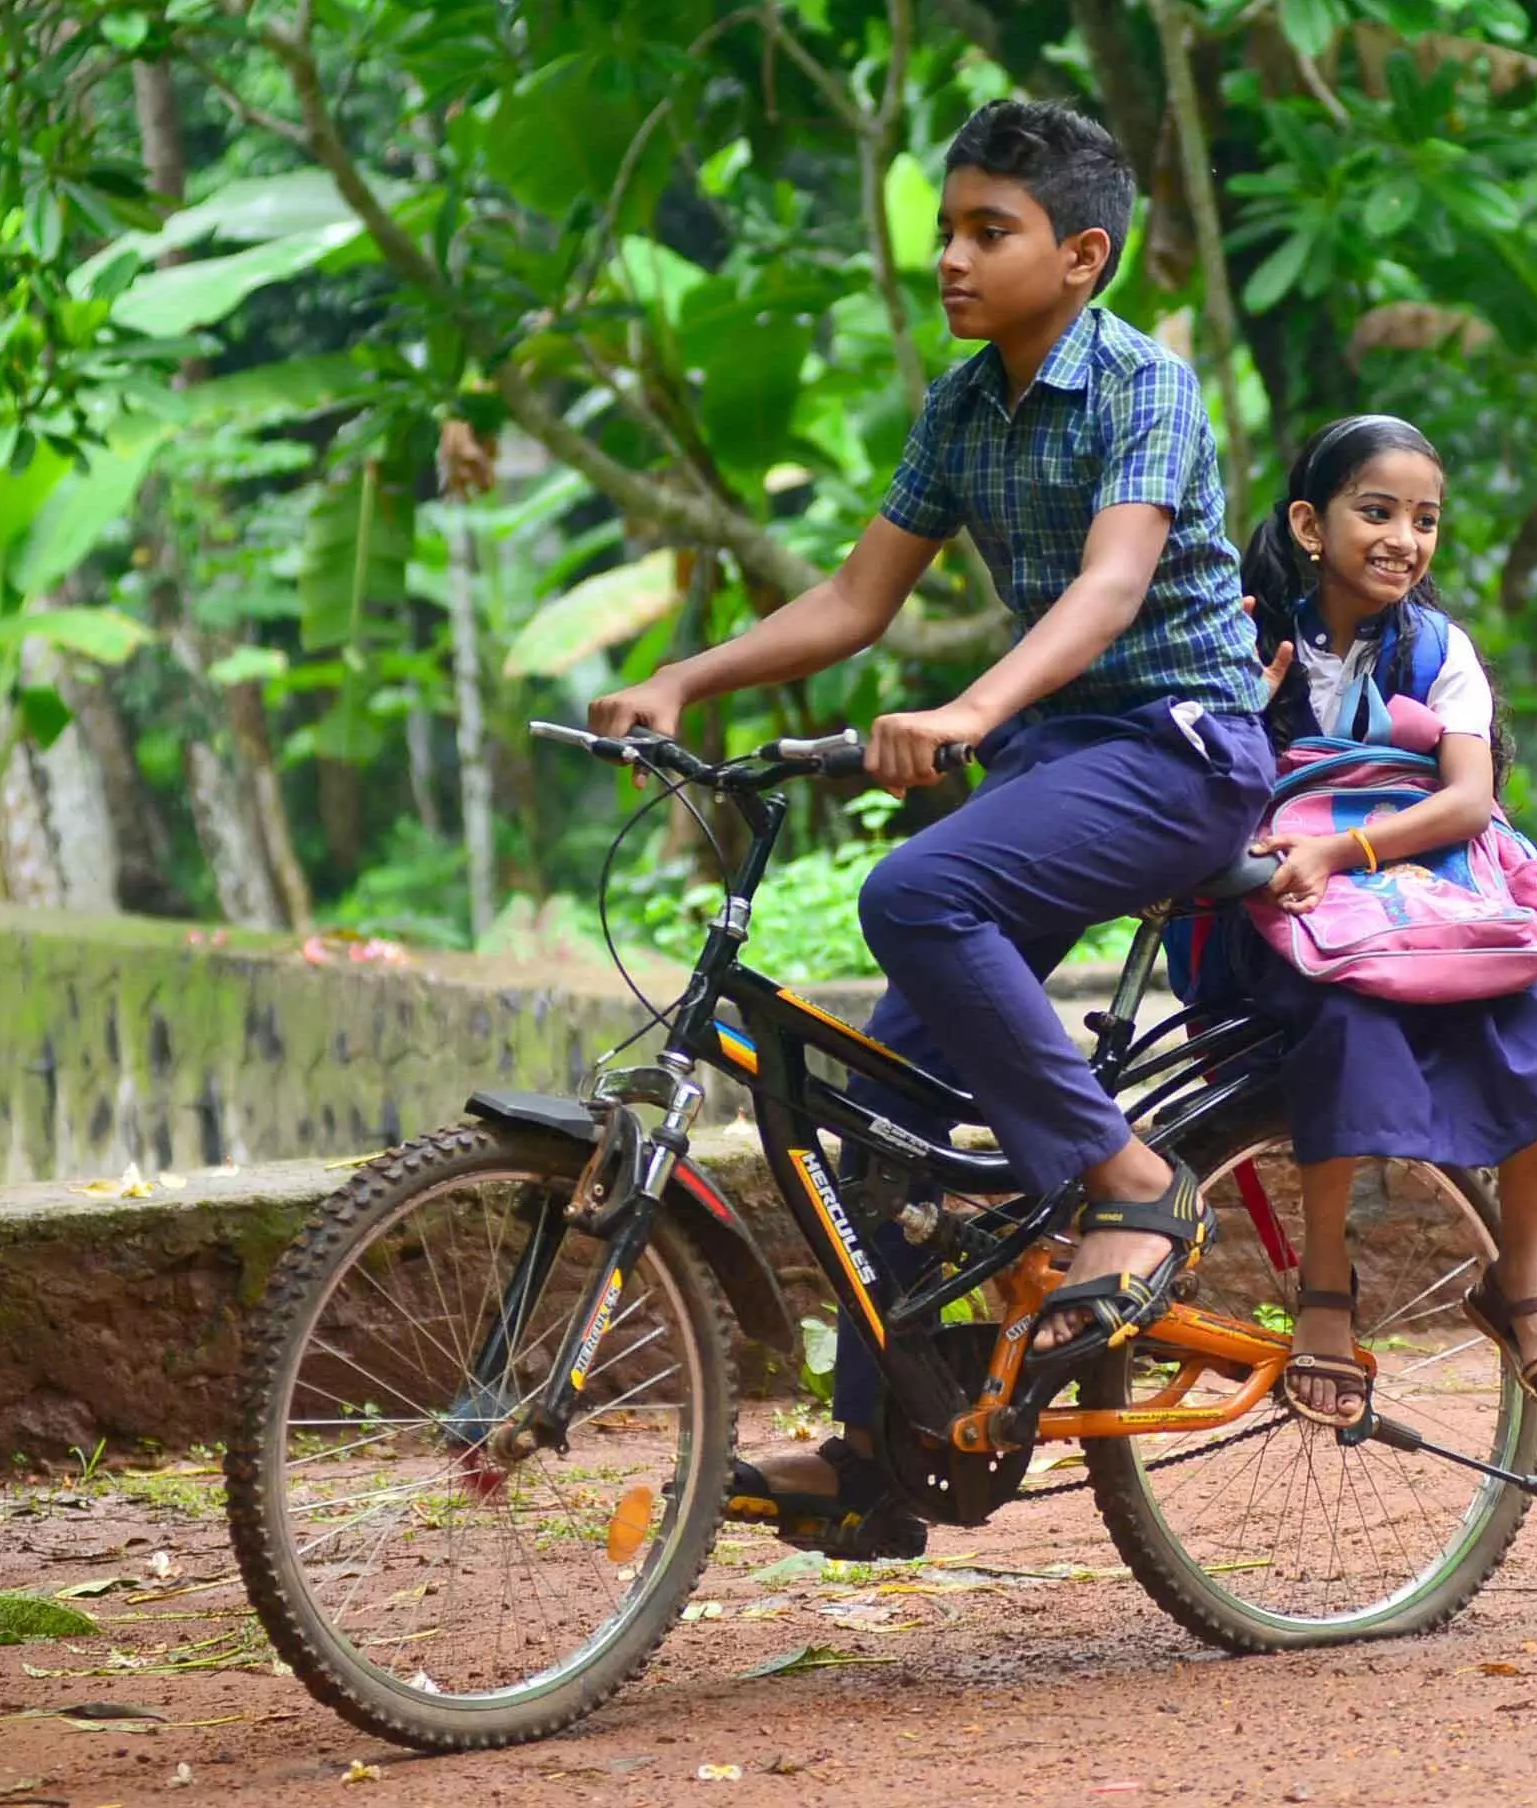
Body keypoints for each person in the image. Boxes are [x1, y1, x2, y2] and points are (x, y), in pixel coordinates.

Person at [588, 99, 1272, 1556]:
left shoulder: (1145, 385)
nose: (951, 258)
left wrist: (967, 710)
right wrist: (684, 678)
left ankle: (1132, 1185)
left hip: (1180, 751)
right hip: (1055, 760)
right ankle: (881, 1459)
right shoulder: (962, 407)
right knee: (879, 1111)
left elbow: (1109, 587)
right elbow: (855, 600)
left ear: (1082, 256)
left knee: (911, 894)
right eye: (948, 230)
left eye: (988, 231)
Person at [1223, 415, 1537, 1424]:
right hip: (1283, 910)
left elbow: (1468, 802)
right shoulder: (1243, 633)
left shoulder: (1440, 649)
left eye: (1425, 519)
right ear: (1310, 524)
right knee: (1344, 1023)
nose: (1404, 538)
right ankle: (1324, 1283)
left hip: (1420, 897)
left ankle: (1519, 1282)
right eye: (1377, 512)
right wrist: (1248, 730)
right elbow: (1204, 773)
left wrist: (1342, 848)